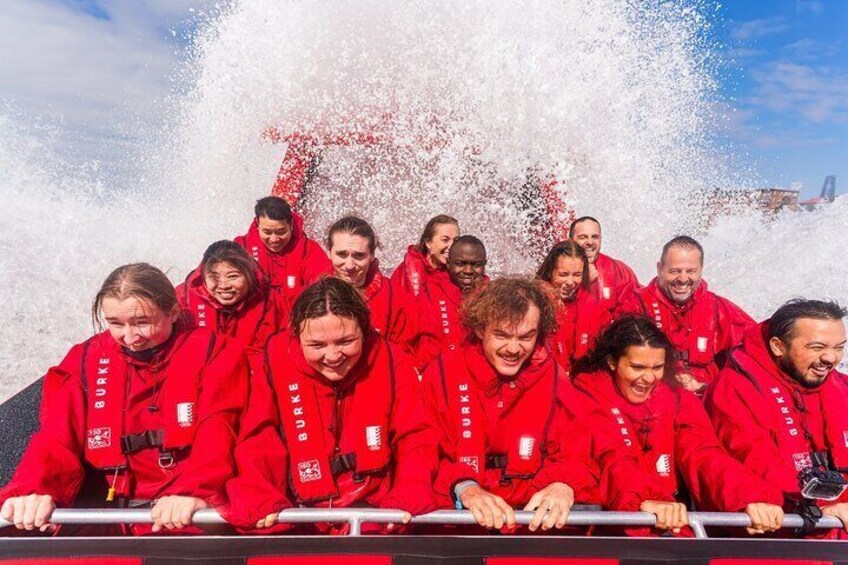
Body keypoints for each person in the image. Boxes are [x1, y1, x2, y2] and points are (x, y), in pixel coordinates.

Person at [0, 263, 248, 535]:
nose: (130, 337)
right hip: (109, 505)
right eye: (116, 324)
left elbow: (218, 427)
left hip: (186, 503)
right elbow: (56, 436)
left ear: (173, 312)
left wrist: (193, 491)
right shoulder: (82, 359)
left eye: (142, 322)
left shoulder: (217, 351)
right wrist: (35, 490)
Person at [224, 278, 438, 533]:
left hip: (374, 514)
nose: (333, 356)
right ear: (297, 335)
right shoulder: (273, 360)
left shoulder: (392, 359)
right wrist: (260, 495)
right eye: (316, 345)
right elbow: (259, 435)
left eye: (346, 341)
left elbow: (415, 434)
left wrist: (408, 492)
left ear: (364, 329)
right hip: (299, 515)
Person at [572, 315, 785, 537]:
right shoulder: (585, 397)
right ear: (612, 362)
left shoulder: (678, 400)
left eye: (657, 367)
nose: (648, 378)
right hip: (612, 523)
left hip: (671, 517)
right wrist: (644, 498)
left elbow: (702, 454)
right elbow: (610, 456)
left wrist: (748, 496)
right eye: (637, 367)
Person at [421, 278, 599, 532]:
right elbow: (422, 453)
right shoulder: (441, 374)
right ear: (481, 329)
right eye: (502, 335)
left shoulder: (554, 378)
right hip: (461, 524)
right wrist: (464, 487)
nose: (513, 348)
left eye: (526, 337)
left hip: (533, 524)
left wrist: (563, 484)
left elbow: (578, 453)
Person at [704, 299, 848, 537]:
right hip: (779, 530)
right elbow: (752, 457)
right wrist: (822, 508)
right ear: (778, 346)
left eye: (839, 347)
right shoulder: (735, 388)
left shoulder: (842, 388)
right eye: (817, 347)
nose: (830, 358)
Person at [619, 236, 755, 394]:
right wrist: (675, 374)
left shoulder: (716, 306)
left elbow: (755, 341)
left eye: (691, 271)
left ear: (701, 269)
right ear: (659, 268)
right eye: (675, 271)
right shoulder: (635, 305)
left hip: (708, 397)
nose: (683, 279)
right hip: (654, 396)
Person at [325, 216, 424, 363]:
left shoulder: (395, 299)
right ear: (329, 252)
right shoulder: (313, 297)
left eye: (359, 256)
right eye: (342, 254)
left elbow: (406, 356)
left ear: (372, 255)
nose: (350, 265)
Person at [176, 240, 281, 370]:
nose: (224, 286)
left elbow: (272, 352)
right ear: (203, 276)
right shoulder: (181, 299)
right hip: (198, 376)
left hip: (250, 375)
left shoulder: (270, 300)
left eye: (232, 276)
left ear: (248, 274)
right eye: (214, 277)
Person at [234, 196, 331, 301]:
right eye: (267, 232)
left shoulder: (308, 250)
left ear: (291, 225)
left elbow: (324, 285)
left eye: (281, 232)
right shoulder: (241, 248)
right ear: (258, 224)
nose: (274, 239)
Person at [535, 241, 610, 374]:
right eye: (563, 274)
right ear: (550, 272)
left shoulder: (594, 305)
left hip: (584, 377)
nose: (570, 282)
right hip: (548, 377)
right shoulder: (535, 302)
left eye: (577, 275)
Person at [415, 235, 488, 367]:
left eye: (476, 264)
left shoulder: (494, 297)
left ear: (485, 264)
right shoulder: (426, 292)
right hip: (435, 374)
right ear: (448, 263)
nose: (468, 271)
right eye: (460, 263)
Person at [569, 216, 640, 316]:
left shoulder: (618, 270)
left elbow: (640, 304)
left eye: (595, 237)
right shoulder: (557, 268)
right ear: (570, 241)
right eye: (582, 237)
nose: (590, 242)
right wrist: (583, 282)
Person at [391, 214, 459, 299]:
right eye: (445, 240)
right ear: (428, 242)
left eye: (456, 240)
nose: (451, 245)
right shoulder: (406, 272)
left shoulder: (460, 271)